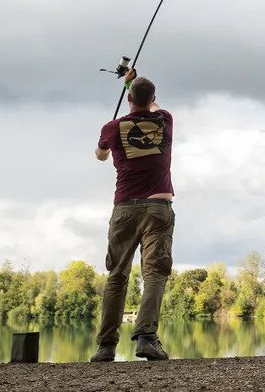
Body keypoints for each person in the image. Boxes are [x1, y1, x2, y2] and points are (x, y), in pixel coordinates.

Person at [89, 69, 176, 363]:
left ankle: (106, 347)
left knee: (117, 276)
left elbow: (100, 156)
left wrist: (103, 147)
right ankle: (147, 339)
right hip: (158, 208)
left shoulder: (111, 128)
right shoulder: (165, 120)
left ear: (128, 99)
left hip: (124, 208)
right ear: (152, 98)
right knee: (154, 274)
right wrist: (133, 81)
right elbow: (151, 104)